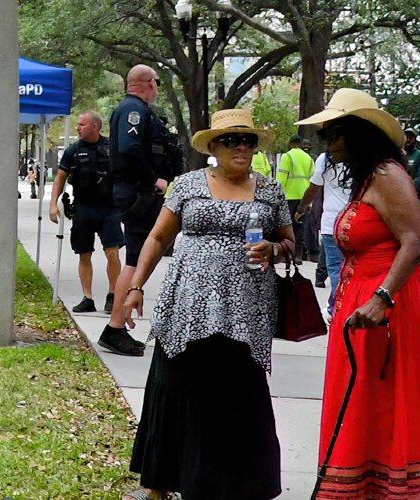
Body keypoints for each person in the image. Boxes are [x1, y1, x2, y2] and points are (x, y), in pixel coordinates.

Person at [122, 108, 288, 500]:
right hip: (186, 304)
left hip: (246, 308)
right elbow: (158, 239)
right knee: (175, 384)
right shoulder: (187, 185)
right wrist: (135, 286)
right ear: (213, 146)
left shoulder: (270, 190)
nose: (241, 147)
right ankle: (159, 484)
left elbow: (289, 244)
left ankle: (239, 484)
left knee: (238, 391)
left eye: (247, 140)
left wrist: (274, 247)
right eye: (231, 140)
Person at [296, 88, 420, 499]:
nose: (327, 145)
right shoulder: (367, 178)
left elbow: (414, 241)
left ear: (357, 133)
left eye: (332, 135)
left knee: (387, 409)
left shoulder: (387, 175)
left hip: (395, 307)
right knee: (363, 407)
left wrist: (381, 298)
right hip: (364, 305)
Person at [105, 64, 181, 357]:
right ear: (148, 83)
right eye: (157, 82)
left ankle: (117, 326)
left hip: (140, 193)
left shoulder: (136, 110)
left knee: (137, 259)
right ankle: (115, 328)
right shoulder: (133, 111)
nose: (158, 88)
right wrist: (154, 179)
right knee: (136, 260)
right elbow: (129, 148)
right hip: (140, 193)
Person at [50, 111, 122, 313]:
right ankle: (87, 298)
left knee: (112, 252)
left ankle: (113, 295)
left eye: (82, 124)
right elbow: (60, 178)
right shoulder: (73, 151)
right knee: (84, 253)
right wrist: (53, 205)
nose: (77, 128)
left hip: (109, 208)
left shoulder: (112, 148)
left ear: (95, 127)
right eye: (78, 124)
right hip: (83, 207)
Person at [297, 152, 351, 313]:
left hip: (331, 223)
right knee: (352, 268)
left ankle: (339, 309)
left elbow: (314, 187)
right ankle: (336, 305)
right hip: (354, 221)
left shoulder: (325, 158)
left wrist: (301, 208)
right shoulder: (361, 157)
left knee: (335, 269)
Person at [279, 135, 316, 260]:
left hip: (289, 196)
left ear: (290, 143)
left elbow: (281, 178)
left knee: (287, 226)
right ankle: (298, 255)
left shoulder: (287, 156)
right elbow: (313, 179)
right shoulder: (309, 158)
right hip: (304, 197)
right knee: (301, 226)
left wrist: (278, 195)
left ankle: (288, 254)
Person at [405, 130, 420, 209]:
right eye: (406, 137)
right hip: (402, 196)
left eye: (410, 138)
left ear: (415, 139)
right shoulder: (399, 155)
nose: (408, 140)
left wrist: (407, 187)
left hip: (418, 196)